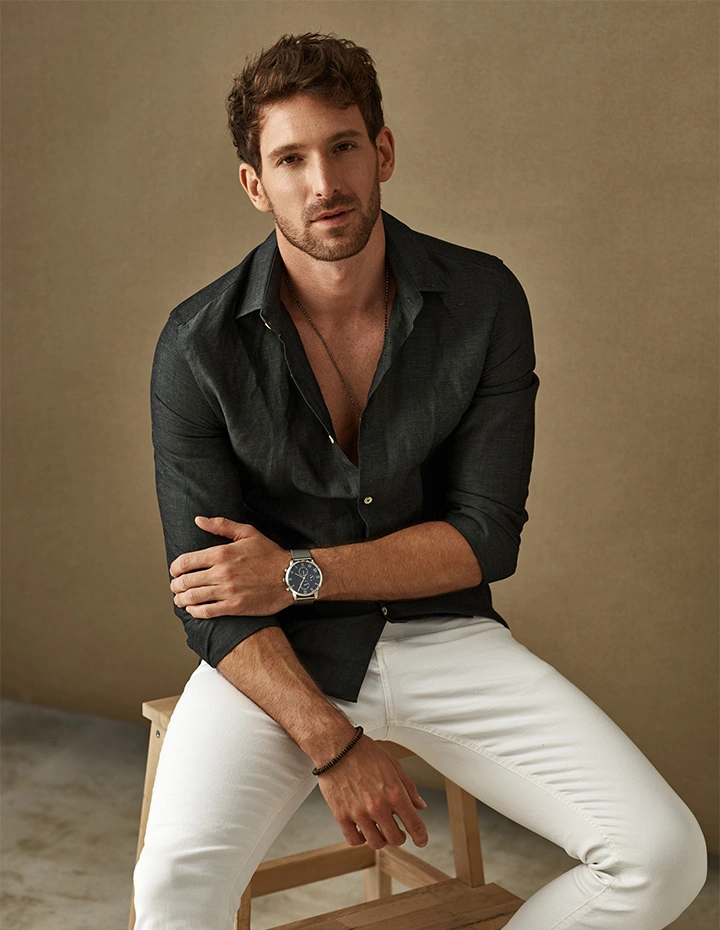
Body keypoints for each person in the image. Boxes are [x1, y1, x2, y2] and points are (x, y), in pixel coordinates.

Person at [133, 32, 706, 930]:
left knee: (664, 856)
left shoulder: (482, 302)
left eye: (343, 146)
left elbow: (485, 536)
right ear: (256, 184)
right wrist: (333, 744)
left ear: (383, 150)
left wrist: (294, 571)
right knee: (171, 887)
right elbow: (212, 595)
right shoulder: (197, 345)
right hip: (276, 658)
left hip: (446, 639)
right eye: (291, 158)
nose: (324, 183)